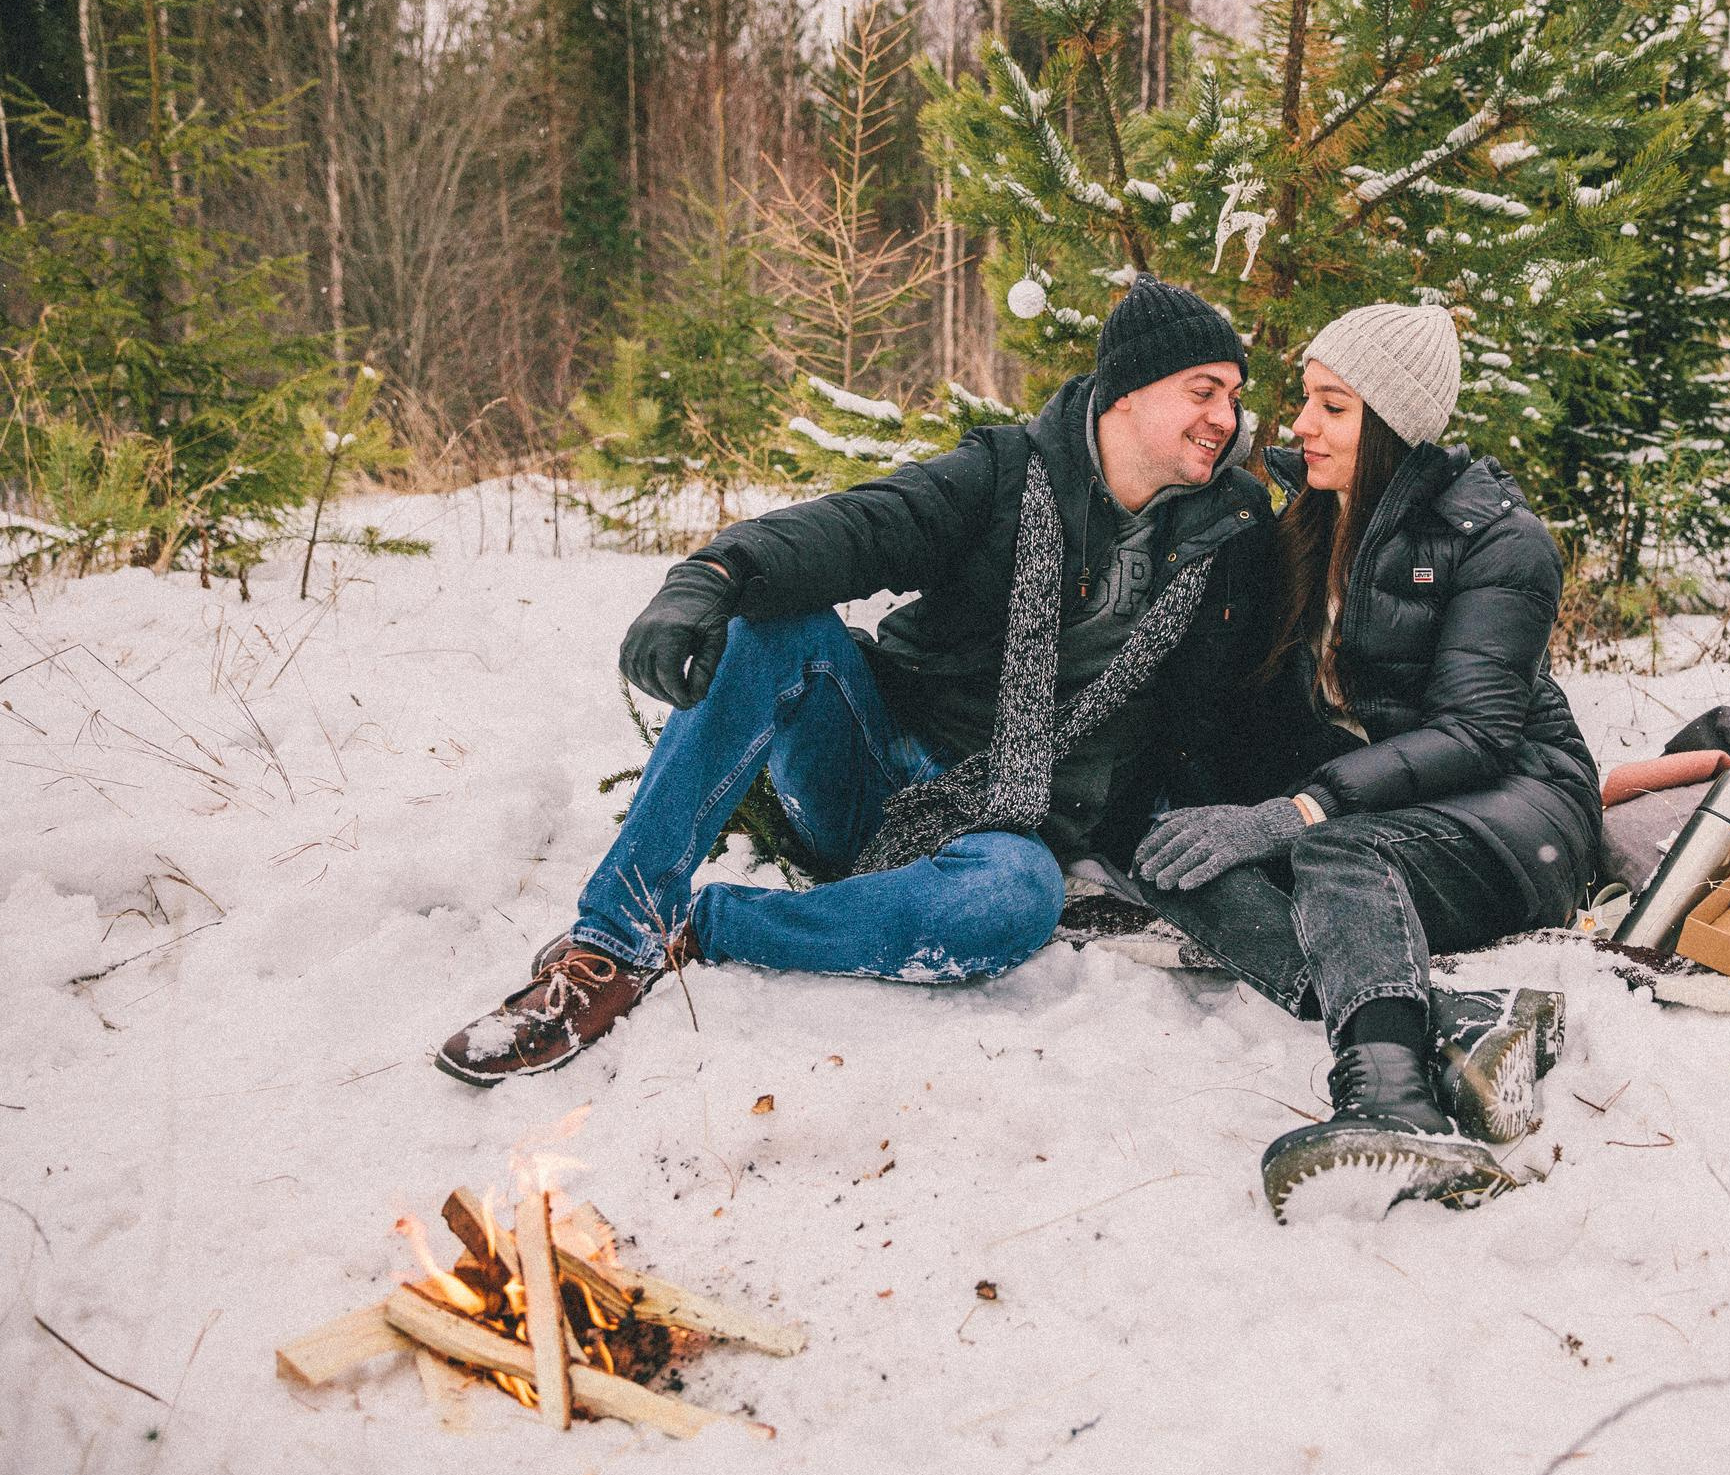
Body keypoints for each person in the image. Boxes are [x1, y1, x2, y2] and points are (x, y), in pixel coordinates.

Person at [437, 276, 1277, 1085]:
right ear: (1127, 391)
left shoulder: (1227, 532)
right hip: (880, 763)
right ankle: (612, 941)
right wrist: (714, 575)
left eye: (1233, 398)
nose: (1224, 417)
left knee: (1018, 900)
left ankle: (716, 927)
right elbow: (861, 526)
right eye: (1203, 391)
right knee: (776, 629)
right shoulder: (1005, 474)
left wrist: (1292, 815)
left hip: (1013, 829)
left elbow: (1241, 705)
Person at [1133, 302, 1604, 1219]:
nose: (1301, 424)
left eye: (1333, 406)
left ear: (1393, 422)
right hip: (1391, 801)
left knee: (1332, 853)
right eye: (1306, 399)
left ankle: (1392, 1096)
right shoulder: (1311, 518)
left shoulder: (1499, 539)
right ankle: (1453, 1018)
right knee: (1177, 853)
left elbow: (1476, 732)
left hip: (1520, 803)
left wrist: (1302, 810)